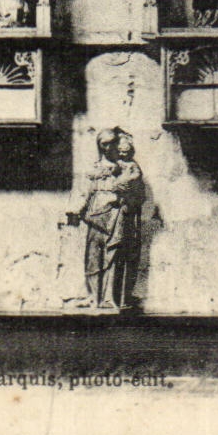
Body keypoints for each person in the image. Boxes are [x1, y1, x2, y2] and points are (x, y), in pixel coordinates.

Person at [67, 127, 145, 311]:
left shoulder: (127, 167)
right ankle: (94, 296)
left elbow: (139, 195)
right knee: (93, 257)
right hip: (95, 217)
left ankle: (110, 298)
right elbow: (84, 191)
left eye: (111, 144)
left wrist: (126, 201)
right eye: (104, 144)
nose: (108, 148)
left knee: (113, 256)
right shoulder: (94, 168)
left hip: (117, 215)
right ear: (99, 146)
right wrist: (76, 210)